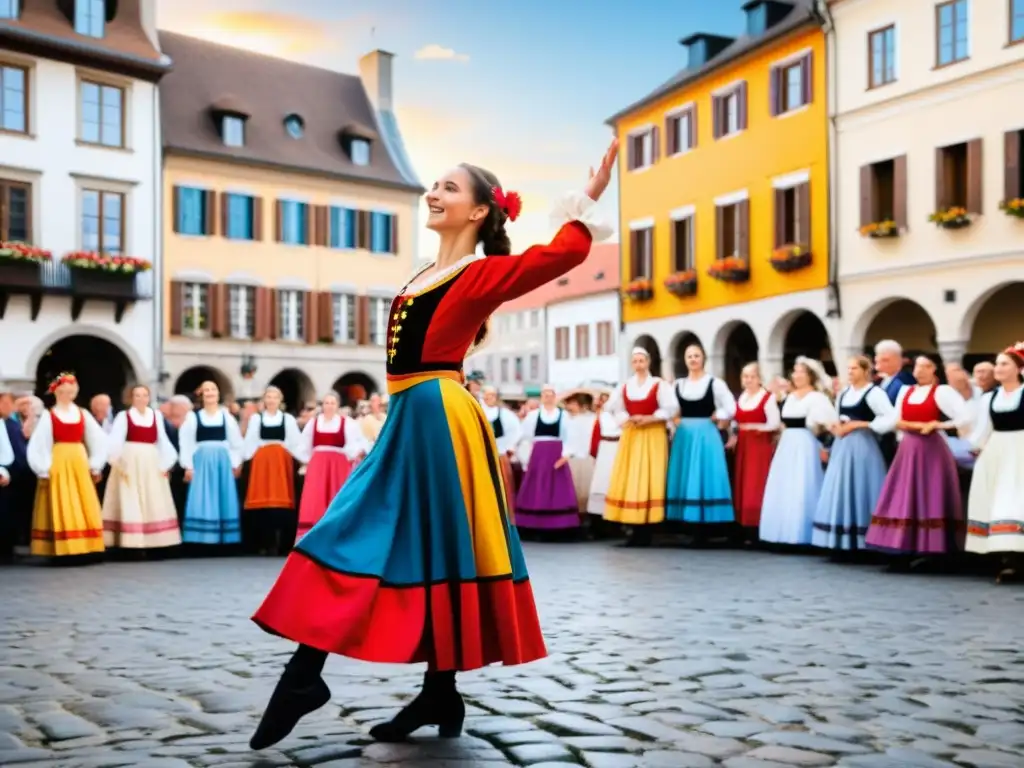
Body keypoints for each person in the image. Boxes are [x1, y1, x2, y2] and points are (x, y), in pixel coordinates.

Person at [248, 142, 616, 750]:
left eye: (448, 187)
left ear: (477, 212)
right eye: (435, 185)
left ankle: (308, 675)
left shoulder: (478, 273)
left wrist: (589, 197)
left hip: (440, 418)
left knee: (387, 535)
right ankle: (433, 689)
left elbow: (564, 252)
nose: (433, 193)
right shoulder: (426, 273)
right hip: (411, 416)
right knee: (385, 537)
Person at [865, 355, 969, 567]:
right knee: (905, 495)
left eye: (926, 366)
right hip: (909, 449)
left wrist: (937, 425)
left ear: (935, 370)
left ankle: (932, 549)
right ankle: (904, 545)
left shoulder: (942, 392)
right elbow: (896, 419)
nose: (920, 370)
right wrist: (905, 425)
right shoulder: (906, 391)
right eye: (918, 366)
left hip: (931, 450)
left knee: (930, 494)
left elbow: (965, 416)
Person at [812, 356, 895, 555]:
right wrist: (835, 426)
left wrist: (862, 424)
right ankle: (844, 541)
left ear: (866, 370)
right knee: (843, 487)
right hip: (843, 446)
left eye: (854, 368)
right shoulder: (844, 393)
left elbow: (891, 418)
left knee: (862, 486)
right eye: (848, 368)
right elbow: (838, 416)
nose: (850, 372)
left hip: (863, 445)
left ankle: (868, 541)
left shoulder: (875, 393)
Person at [27, 373, 108, 559]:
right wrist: (43, 468)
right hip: (59, 460)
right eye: (63, 391)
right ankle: (63, 546)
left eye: (70, 392)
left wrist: (95, 464)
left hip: (79, 460)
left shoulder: (83, 413)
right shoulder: (49, 415)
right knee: (62, 500)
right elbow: (41, 443)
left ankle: (85, 545)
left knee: (83, 500)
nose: (67, 395)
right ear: (56, 392)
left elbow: (97, 439)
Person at [759, 358, 835, 548]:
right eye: (795, 371)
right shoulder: (790, 397)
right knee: (784, 485)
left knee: (804, 484)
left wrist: (824, 447)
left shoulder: (817, 397)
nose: (797, 375)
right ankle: (782, 533)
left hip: (806, 444)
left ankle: (804, 535)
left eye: (802, 371)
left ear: (810, 375)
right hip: (787, 444)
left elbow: (826, 424)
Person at [602, 347, 675, 547]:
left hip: (652, 435)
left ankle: (647, 530)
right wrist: (627, 418)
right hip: (633, 434)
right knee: (632, 478)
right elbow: (611, 407)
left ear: (648, 362)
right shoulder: (626, 385)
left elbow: (670, 407)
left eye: (642, 360)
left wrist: (650, 418)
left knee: (650, 478)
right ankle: (634, 528)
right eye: (635, 361)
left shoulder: (658, 384)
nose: (639, 365)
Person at [665, 344, 737, 542]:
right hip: (685, 435)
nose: (693, 359)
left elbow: (731, 406)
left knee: (705, 475)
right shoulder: (678, 385)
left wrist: (719, 415)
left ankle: (706, 527)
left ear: (703, 358)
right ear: (685, 360)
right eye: (689, 356)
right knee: (688, 475)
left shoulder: (715, 383)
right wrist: (672, 421)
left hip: (706, 433)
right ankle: (689, 525)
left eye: (697, 355)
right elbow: (670, 408)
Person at [965, 343, 1024, 582]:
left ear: (1019, 368)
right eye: (997, 364)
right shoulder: (990, 398)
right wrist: (977, 448)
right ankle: (1006, 559)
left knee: (1015, 503)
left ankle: (1016, 560)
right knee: (998, 504)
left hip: (1020, 449)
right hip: (997, 450)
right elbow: (982, 430)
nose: (998, 369)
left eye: (1004, 364)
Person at [102, 385, 181, 551]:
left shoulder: (156, 416)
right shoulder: (124, 416)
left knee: (152, 498)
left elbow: (162, 440)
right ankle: (132, 541)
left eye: (144, 395)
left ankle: (154, 541)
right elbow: (115, 441)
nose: (141, 399)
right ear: (131, 398)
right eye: (137, 395)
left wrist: (166, 462)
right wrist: (118, 462)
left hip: (151, 460)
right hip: (130, 459)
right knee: (132, 498)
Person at [178, 380, 244, 547]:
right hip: (202, 462)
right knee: (203, 496)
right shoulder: (194, 417)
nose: (210, 393)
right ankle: (201, 539)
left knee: (223, 496)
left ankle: (223, 539)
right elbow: (186, 443)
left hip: (222, 461)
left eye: (213, 389)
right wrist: (188, 466)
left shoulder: (226, 417)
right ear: (201, 394)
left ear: (218, 393)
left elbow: (235, 442)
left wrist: (235, 463)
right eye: (206, 390)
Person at [294, 392, 366, 542]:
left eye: (332, 403)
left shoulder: (346, 423)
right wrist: (309, 460)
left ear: (338, 405)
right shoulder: (313, 423)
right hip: (318, 465)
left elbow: (356, 443)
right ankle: (313, 535)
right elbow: (303, 445)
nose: (329, 406)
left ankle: (336, 534)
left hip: (338, 465)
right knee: (316, 497)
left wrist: (349, 456)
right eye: (326, 403)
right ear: (322, 405)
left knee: (336, 496)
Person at [242, 386, 303, 555]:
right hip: (262, 462)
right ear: (264, 400)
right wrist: (244, 458)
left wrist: (305, 459)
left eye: (275, 397)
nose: (271, 400)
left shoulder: (288, 419)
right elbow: (250, 441)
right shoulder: (256, 418)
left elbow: (295, 442)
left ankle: (282, 544)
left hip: (281, 463)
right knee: (263, 501)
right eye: (268, 397)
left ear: (280, 400)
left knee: (281, 502)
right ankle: (263, 543)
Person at [515, 385, 579, 534]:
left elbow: (570, 437)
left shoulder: (563, 415)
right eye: (545, 394)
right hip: (538, 456)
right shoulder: (533, 416)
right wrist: (526, 457)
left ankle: (559, 526)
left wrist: (566, 455)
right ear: (542, 397)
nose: (548, 397)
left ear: (555, 397)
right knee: (536, 489)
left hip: (556, 455)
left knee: (557, 490)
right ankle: (533, 525)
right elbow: (524, 437)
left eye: (551, 394)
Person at [731, 363, 779, 543]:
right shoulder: (742, 397)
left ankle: (757, 529)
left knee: (756, 485)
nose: (748, 380)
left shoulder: (767, 398)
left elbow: (774, 423)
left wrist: (754, 427)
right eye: (745, 376)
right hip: (744, 445)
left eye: (752, 376)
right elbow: (735, 421)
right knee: (743, 484)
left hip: (759, 446)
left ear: (759, 379)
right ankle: (743, 527)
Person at [479, 386, 521, 522]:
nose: (488, 398)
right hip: (481, 455)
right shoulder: (478, 412)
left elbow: (516, 432)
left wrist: (508, 447)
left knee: (504, 486)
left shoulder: (505, 414)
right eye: (486, 395)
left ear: (496, 397)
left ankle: (504, 517)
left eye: (491, 395)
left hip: (500, 455)